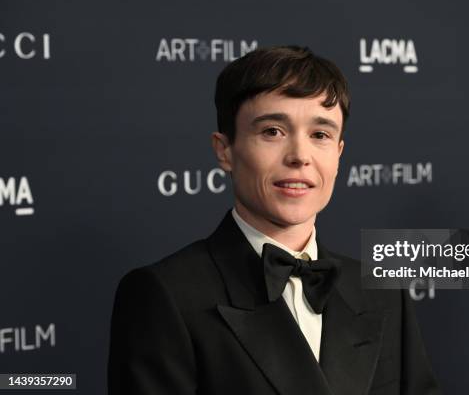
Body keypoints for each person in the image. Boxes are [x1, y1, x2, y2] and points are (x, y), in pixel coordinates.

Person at [108, 45, 440, 395]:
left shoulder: (383, 293)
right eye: (272, 132)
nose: (299, 156)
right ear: (225, 150)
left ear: (339, 155)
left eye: (320, 135)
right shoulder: (166, 297)